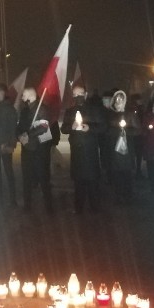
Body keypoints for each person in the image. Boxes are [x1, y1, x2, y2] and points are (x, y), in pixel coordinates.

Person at [60, 85, 104, 213]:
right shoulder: (70, 111)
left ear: (85, 94)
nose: (77, 97)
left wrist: (90, 128)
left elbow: (102, 127)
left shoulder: (94, 110)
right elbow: (64, 128)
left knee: (92, 181)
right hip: (77, 151)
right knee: (78, 182)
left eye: (80, 94)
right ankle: (78, 208)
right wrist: (71, 127)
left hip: (90, 151)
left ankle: (95, 208)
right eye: (75, 94)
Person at [17, 87, 56, 214]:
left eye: (23, 95)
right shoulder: (24, 111)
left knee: (43, 178)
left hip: (40, 150)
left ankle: (49, 207)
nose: (22, 98)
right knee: (26, 178)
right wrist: (19, 136)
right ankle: (27, 206)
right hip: (27, 148)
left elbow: (43, 128)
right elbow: (19, 126)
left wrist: (28, 135)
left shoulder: (42, 109)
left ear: (30, 96)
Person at [106, 90, 140, 204]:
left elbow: (138, 130)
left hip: (127, 150)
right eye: (116, 99)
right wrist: (117, 130)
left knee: (127, 174)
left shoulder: (130, 114)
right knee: (116, 174)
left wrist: (126, 130)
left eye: (121, 99)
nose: (118, 102)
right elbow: (106, 130)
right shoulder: (110, 114)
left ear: (125, 101)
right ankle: (118, 195)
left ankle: (128, 196)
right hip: (114, 149)